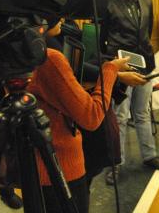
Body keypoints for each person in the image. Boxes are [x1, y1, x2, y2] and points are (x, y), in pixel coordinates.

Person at [27, 18, 130, 212]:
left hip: (32, 168)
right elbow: (91, 116)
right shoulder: (49, 58)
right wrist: (111, 69)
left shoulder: (14, 55)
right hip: (61, 168)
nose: (62, 18)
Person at [101, 0, 159, 185]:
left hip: (146, 64)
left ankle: (149, 155)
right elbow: (102, 37)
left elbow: (146, 31)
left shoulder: (146, 0)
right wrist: (111, 65)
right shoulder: (106, 1)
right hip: (122, 68)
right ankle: (116, 164)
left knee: (142, 112)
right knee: (120, 117)